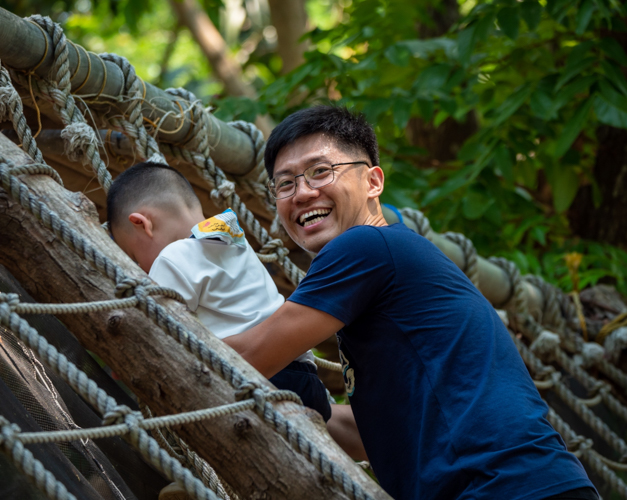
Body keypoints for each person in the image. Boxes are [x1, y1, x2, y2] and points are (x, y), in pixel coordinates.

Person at [224, 106, 598, 500]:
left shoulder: (365, 246)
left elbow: (248, 357)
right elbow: (374, 435)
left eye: (320, 171)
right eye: (284, 184)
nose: (302, 193)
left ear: (373, 181)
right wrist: (307, 405)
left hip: (505, 487)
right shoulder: (393, 265)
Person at [106, 162, 333, 421]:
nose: (141, 268)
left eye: (135, 257)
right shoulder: (233, 239)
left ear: (142, 224)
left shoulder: (171, 257)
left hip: (263, 377)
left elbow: (152, 329)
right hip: (305, 377)